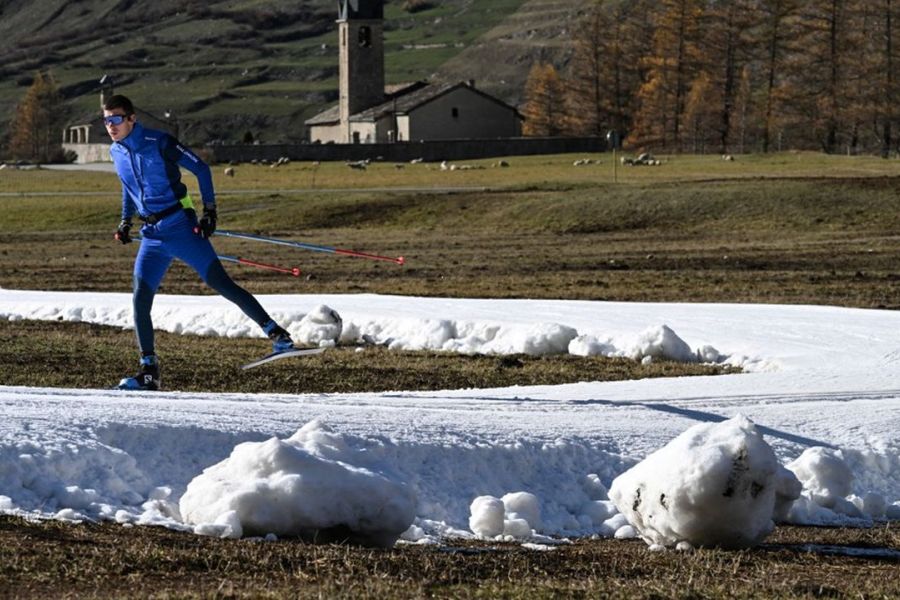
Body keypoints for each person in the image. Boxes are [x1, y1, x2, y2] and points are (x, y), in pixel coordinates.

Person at [103, 94, 295, 390]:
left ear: (131, 119)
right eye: (106, 120)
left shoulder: (160, 142)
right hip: (152, 236)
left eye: (116, 118)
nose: (111, 125)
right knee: (140, 299)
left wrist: (210, 212)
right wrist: (125, 221)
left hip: (179, 227)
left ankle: (278, 335)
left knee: (221, 283)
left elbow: (201, 169)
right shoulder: (116, 152)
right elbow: (127, 187)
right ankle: (149, 371)